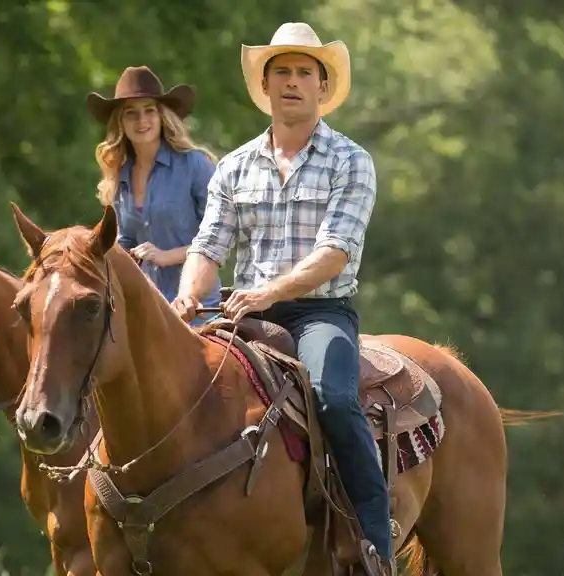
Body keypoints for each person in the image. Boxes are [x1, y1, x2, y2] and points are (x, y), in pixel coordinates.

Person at [170, 22, 395, 575]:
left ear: (322, 87)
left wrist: (267, 291)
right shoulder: (234, 167)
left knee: (333, 396)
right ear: (266, 86)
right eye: (282, 73)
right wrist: (186, 296)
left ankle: (374, 542)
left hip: (319, 312)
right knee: (179, 387)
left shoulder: (350, 161)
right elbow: (207, 247)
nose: (292, 82)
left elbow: (334, 254)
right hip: (243, 312)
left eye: (304, 73)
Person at [88, 65, 222, 323]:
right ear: (120, 122)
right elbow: (125, 241)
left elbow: (221, 237)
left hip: (197, 311)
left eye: (149, 110)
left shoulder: (195, 165)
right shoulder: (119, 176)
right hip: (144, 311)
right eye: (131, 113)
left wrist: (165, 256)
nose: (141, 120)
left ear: (162, 116)